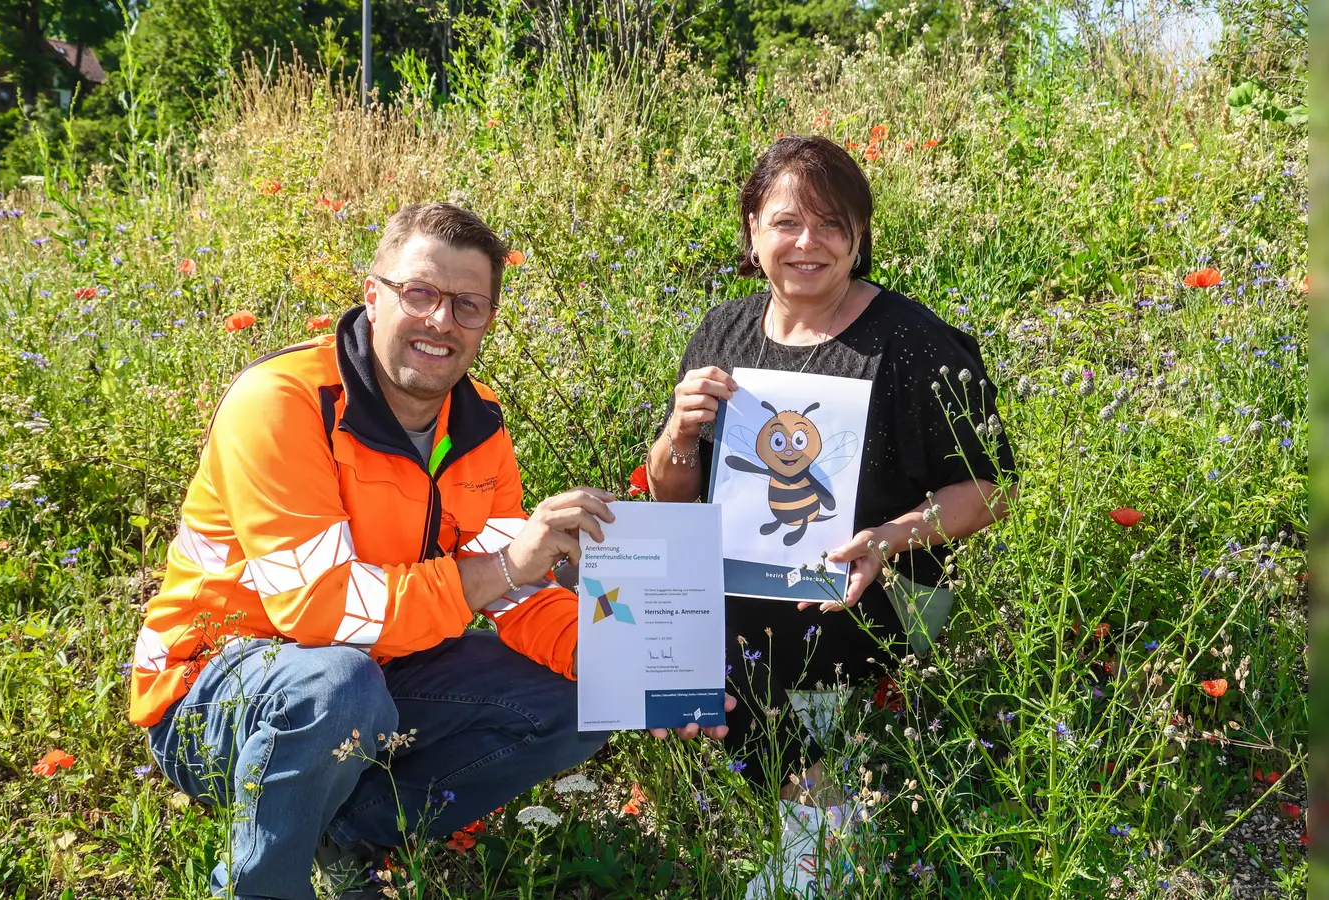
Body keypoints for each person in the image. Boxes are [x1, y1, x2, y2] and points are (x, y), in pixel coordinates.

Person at [128, 202, 726, 900]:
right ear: (372, 295)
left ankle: (348, 839)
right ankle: (262, 886)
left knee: (579, 698)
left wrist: (639, 676)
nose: (441, 321)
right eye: (420, 293)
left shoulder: (478, 422)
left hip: (374, 679)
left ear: (488, 321)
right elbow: (319, 611)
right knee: (335, 686)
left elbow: (522, 593)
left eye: (467, 305)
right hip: (214, 689)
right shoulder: (283, 402)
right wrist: (505, 565)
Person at [644, 136, 1018, 898]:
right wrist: (679, 433)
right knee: (641, 603)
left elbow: (990, 489)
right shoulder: (724, 332)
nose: (807, 242)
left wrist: (889, 536)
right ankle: (793, 789)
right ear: (751, 231)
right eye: (786, 222)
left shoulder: (913, 343)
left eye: (831, 224)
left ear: (859, 237)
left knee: (768, 631)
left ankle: (816, 834)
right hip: (747, 578)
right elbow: (671, 497)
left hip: (878, 583)